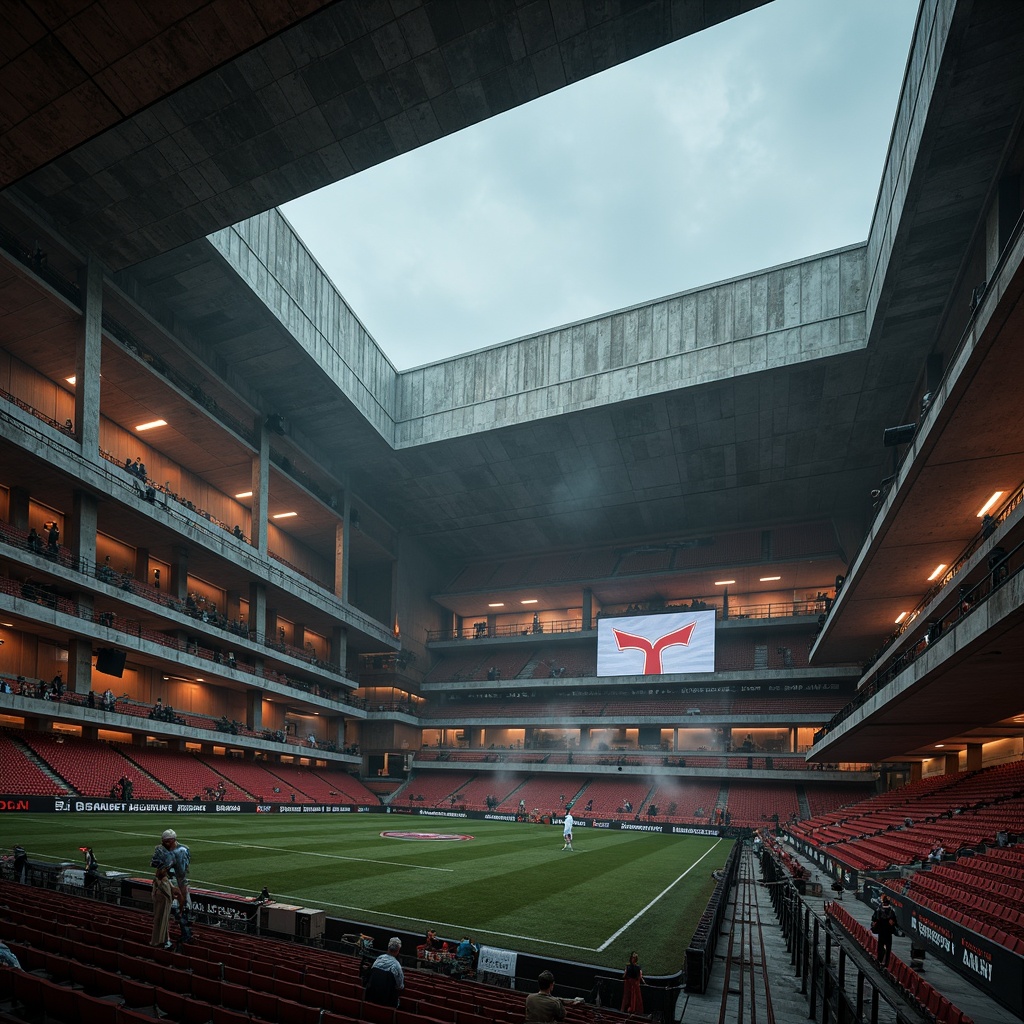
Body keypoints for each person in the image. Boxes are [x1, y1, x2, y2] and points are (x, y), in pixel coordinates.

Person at [150, 828, 190, 908]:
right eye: (164, 841)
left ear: (173, 840)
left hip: (176, 882)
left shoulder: (182, 851)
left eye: (168, 841)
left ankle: (183, 909)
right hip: (166, 883)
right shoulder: (161, 850)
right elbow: (158, 871)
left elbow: (183, 873)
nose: (165, 844)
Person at [365, 936, 404, 1007]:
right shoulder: (397, 966)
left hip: (370, 998)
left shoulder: (378, 959)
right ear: (398, 950)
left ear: (388, 947)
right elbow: (400, 986)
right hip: (386, 1002)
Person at [871, 893, 898, 968]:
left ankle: (879, 960)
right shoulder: (892, 910)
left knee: (880, 946)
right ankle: (886, 963)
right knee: (888, 947)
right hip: (888, 931)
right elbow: (895, 922)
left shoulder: (879, 909)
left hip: (881, 930)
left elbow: (874, 918)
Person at [150, 863, 174, 948]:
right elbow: (171, 893)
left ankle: (159, 940)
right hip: (163, 903)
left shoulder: (157, 881)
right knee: (162, 920)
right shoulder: (163, 881)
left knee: (159, 921)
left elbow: (153, 895)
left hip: (160, 903)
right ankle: (162, 941)